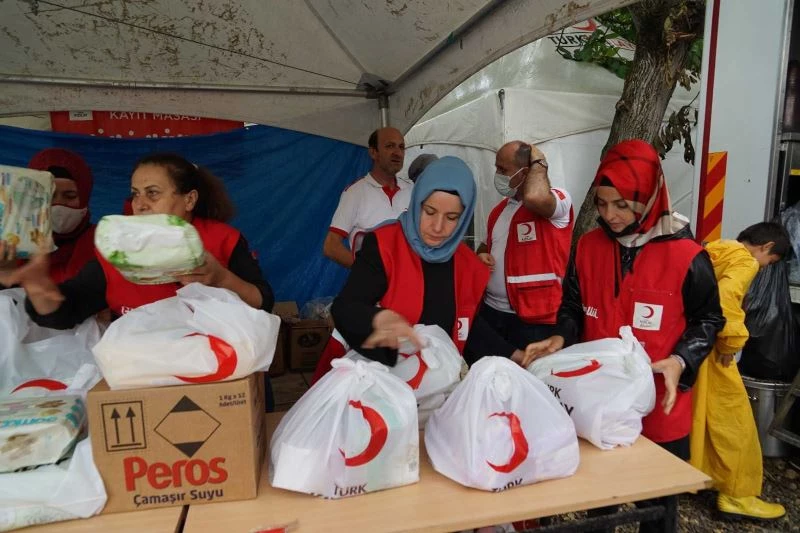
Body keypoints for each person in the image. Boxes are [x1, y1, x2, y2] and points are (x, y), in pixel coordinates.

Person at [524, 139, 725, 533]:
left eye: (622, 205)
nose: (610, 216)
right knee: (600, 501)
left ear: (649, 197)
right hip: (600, 401)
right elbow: (572, 305)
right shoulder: (588, 247)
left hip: (661, 405)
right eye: (601, 203)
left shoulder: (687, 255)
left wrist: (682, 358)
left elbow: (709, 319)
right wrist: (561, 337)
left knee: (657, 508)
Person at [0, 152, 274, 329]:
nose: (139, 205)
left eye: (152, 193)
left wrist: (222, 279)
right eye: (135, 194)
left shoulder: (223, 239)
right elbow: (67, 310)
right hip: (145, 374)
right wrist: (37, 285)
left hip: (222, 368)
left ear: (189, 199)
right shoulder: (116, 250)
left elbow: (263, 302)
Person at [328, 156, 528, 369]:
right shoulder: (385, 245)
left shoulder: (466, 263)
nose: (437, 227)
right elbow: (346, 306)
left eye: (452, 217)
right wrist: (376, 319)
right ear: (416, 204)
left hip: (434, 380)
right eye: (430, 212)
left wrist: (514, 354)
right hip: (384, 377)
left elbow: (467, 323)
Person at [691, 222, 790, 520]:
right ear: (767, 248)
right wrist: (731, 341)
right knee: (734, 422)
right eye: (770, 263)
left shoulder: (712, 249)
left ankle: (697, 475)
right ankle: (736, 494)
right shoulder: (745, 260)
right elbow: (724, 298)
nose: (764, 268)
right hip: (713, 350)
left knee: (700, 416)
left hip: (690, 346)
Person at [474, 140, 573, 352]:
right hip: (492, 313)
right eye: (496, 168)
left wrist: (539, 161)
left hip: (535, 320)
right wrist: (480, 258)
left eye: (503, 169)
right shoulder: (499, 210)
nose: (497, 174)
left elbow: (535, 197)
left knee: (530, 380)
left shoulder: (559, 200)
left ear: (525, 172)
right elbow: (484, 247)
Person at [0, 148, 97, 284]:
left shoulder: (101, 242)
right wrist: (5, 273)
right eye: (49, 196)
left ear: (85, 197)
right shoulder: (14, 242)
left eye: (70, 196)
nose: (59, 204)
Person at [323, 127, 412, 267]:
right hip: (376, 287)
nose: (398, 153)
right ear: (373, 152)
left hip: (408, 282)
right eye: (390, 146)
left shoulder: (412, 189)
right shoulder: (355, 192)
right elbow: (331, 246)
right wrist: (366, 274)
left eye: (401, 147)